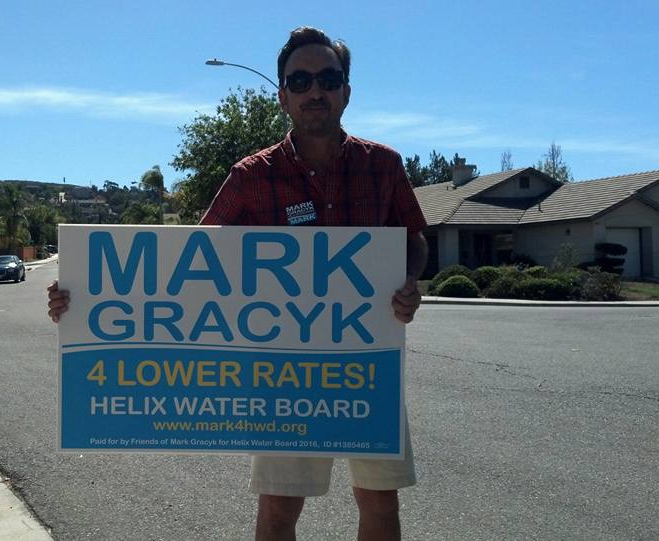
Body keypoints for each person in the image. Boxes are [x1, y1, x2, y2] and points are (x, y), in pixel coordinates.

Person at [48, 26, 427, 541]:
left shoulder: (384, 165)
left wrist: (409, 279)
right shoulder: (251, 176)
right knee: (278, 510)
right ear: (283, 96)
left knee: (380, 503)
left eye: (328, 78)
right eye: (300, 81)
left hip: (369, 366)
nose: (315, 91)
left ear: (346, 90)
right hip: (283, 379)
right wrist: (88, 293)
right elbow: (188, 263)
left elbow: (414, 238)